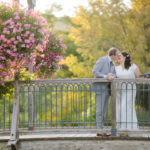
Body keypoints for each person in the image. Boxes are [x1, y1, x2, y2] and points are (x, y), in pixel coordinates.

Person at [92, 47, 119, 129]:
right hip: (100, 88)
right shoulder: (102, 60)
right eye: (117, 55)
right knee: (99, 109)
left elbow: (114, 74)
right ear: (113, 55)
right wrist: (105, 76)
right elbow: (95, 71)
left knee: (104, 110)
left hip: (108, 89)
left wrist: (112, 76)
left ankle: (101, 127)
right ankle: (99, 129)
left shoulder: (113, 64)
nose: (118, 57)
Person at [115, 52, 141, 130]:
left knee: (125, 107)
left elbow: (139, 77)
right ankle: (122, 127)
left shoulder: (133, 66)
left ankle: (127, 128)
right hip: (120, 91)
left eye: (120, 56)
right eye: (118, 56)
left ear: (126, 57)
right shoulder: (116, 68)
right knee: (120, 108)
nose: (118, 57)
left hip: (130, 90)